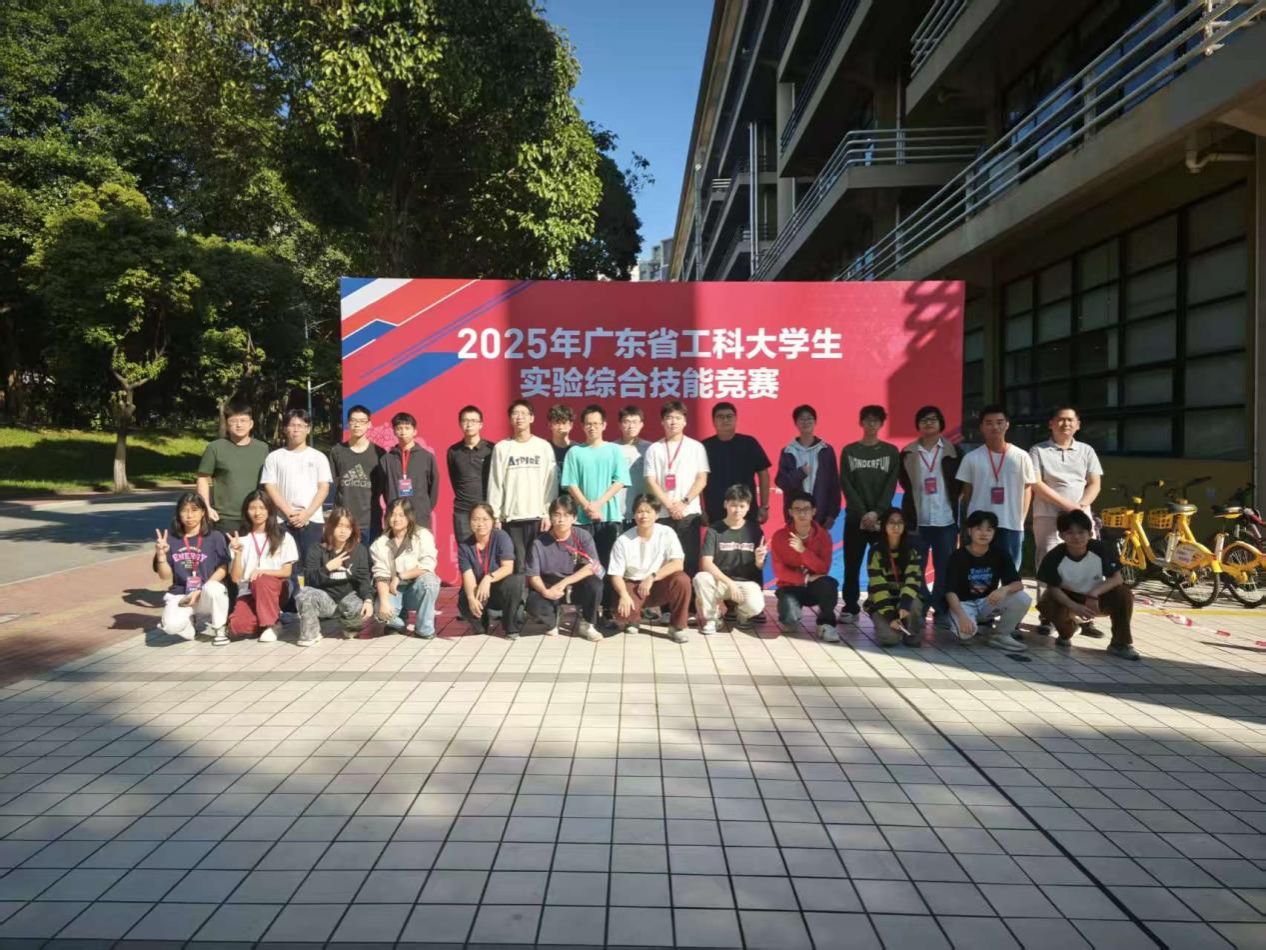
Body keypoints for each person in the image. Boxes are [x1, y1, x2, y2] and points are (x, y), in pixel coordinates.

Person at [1030, 406, 1104, 637]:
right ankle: (1048, 616)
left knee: (1088, 566)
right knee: (1048, 564)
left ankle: (1086, 618)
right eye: (1060, 419)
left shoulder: (1087, 450)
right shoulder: (1038, 450)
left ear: (1078, 424)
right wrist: (1067, 506)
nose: (1066, 424)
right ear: (1051, 423)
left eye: (1071, 420)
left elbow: (1094, 483)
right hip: (1048, 516)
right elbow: (1036, 483)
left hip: (1081, 518)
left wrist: (1081, 506)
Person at [1036, 509, 1139, 660]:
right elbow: (1053, 588)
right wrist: (1074, 606)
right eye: (1070, 533)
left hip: (1096, 597)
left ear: (1090, 533)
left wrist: (1094, 593)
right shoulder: (1053, 556)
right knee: (1046, 603)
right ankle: (1068, 630)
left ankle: (1120, 643)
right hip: (1068, 598)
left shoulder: (1102, 549)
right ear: (1061, 536)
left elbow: (1117, 578)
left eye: (1081, 532)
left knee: (1123, 593)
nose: (1076, 537)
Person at [898, 405, 961, 623]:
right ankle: (922, 605)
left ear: (941, 423)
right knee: (916, 568)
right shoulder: (908, 453)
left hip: (945, 520)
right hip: (918, 520)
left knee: (945, 568)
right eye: (924, 420)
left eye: (933, 419)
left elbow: (959, 484)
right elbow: (905, 483)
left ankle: (941, 608)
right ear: (918, 425)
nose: (929, 423)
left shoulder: (954, 451)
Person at [839, 405, 901, 622]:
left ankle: (880, 603)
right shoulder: (849, 451)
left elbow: (891, 485)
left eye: (876, 420)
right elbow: (846, 483)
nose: (871, 424)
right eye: (867, 420)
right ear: (861, 422)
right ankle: (850, 606)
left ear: (882, 424)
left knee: (883, 565)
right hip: (855, 518)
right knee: (852, 564)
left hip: (882, 519)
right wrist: (864, 513)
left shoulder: (891, 452)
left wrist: (877, 512)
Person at [956, 405, 1037, 571]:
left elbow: (1027, 489)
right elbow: (967, 492)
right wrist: (970, 520)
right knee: (978, 571)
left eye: (999, 422)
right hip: (979, 525)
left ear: (1007, 425)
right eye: (989, 423)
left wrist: (1021, 519)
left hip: (1011, 523)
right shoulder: (971, 458)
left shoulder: (1021, 456)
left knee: (1010, 572)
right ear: (981, 427)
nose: (994, 427)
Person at [260, 409, 331, 596]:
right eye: (292, 425)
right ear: (285, 428)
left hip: (312, 520)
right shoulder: (274, 457)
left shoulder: (318, 457)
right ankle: (289, 603)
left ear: (308, 429)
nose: (296, 429)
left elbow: (324, 488)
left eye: (301, 425)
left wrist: (306, 514)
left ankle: (314, 601)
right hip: (283, 520)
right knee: (286, 564)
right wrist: (289, 512)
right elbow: (270, 486)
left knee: (312, 564)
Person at [944, 510, 1032, 652]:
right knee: (966, 634)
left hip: (987, 602)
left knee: (1023, 598)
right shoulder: (958, 556)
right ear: (969, 531)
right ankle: (965, 623)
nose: (984, 533)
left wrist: (1004, 589)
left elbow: (1018, 584)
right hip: (964, 604)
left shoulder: (1000, 554)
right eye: (979, 528)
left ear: (994, 532)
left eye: (989, 529)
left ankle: (1001, 635)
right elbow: (950, 592)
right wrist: (962, 616)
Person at [609, 494, 693, 642]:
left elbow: (678, 563)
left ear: (657, 515)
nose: (644, 516)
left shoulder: (666, 532)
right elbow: (615, 574)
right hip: (634, 584)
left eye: (648, 511)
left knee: (682, 580)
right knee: (622, 614)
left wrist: (652, 577)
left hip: (658, 582)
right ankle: (633, 620)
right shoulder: (623, 540)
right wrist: (623, 594)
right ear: (634, 515)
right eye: (640, 512)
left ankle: (677, 627)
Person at [562, 404, 631, 584]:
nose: (592, 427)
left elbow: (620, 481)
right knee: (584, 565)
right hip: (582, 520)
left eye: (596, 423)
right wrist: (587, 506)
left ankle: (607, 601)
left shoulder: (614, 450)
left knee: (608, 564)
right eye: (588, 424)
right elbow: (570, 483)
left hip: (609, 518)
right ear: (582, 426)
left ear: (604, 425)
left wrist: (598, 504)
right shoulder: (575, 452)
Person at [488, 399, 558, 570]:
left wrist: (548, 513)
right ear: (510, 419)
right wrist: (495, 516)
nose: (519, 417)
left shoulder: (543, 446)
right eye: (515, 414)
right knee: (517, 567)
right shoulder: (502, 448)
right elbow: (495, 483)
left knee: (537, 566)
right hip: (511, 518)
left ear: (532, 418)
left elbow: (550, 484)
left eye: (523, 413)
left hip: (538, 517)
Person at [153, 492, 230, 645]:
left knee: (215, 588)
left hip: (205, 594)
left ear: (203, 512)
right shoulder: (171, 540)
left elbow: (223, 568)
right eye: (184, 510)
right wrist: (161, 556)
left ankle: (220, 629)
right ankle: (190, 625)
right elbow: (165, 576)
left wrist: (202, 589)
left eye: (194, 510)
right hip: (182, 594)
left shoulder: (215, 537)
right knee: (170, 626)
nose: (189, 515)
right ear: (178, 514)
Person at [644, 399, 710, 576]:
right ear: (662, 421)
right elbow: (651, 481)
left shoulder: (696, 447)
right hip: (663, 514)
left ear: (685, 421)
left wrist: (683, 503)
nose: (673, 422)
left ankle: (689, 595)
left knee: (689, 560)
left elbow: (702, 479)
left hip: (689, 513)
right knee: (663, 561)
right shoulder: (654, 449)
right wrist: (669, 505)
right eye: (669, 417)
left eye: (678, 418)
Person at [525, 495, 604, 640]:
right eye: (557, 515)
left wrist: (565, 582)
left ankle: (587, 623)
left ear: (574, 518)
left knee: (595, 585)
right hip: (550, 584)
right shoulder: (539, 543)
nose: (561, 520)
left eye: (566, 515)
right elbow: (533, 575)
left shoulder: (583, 536)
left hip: (576, 581)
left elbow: (592, 566)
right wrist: (545, 591)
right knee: (533, 602)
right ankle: (552, 621)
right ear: (550, 517)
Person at [295, 506, 375, 647]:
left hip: (348, 599)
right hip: (326, 599)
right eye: (339, 526)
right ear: (330, 526)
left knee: (358, 605)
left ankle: (349, 626)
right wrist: (327, 568)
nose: (343, 531)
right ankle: (311, 634)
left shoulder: (359, 550)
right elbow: (309, 579)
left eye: (348, 527)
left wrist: (368, 600)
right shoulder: (317, 548)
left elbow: (364, 579)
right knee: (305, 594)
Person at [695, 485, 768, 635]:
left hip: (745, 583)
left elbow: (759, 567)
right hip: (721, 582)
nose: (737, 510)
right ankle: (712, 618)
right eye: (733, 505)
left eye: (742, 506)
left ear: (748, 507)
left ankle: (742, 614)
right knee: (701, 578)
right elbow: (706, 563)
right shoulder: (714, 530)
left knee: (756, 606)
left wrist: (759, 560)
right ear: (725, 504)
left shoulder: (755, 530)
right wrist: (730, 583)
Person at [227, 490, 298, 642]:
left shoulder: (283, 536)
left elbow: (286, 572)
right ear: (246, 511)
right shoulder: (240, 540)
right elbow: (235, 579)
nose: (257, 513)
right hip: (248, 591)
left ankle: (271, 625)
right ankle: (269, 617)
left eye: (262, 508)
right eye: (252, 508)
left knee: (261, 580)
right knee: (238, 627)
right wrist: (238, 554)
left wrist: (263, 571)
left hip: (276, 588)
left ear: (269, 510)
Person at [771, 491, 839, 641]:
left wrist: (803, 551)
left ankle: (826, 624)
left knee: (829, 584)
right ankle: (791, 618)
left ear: (814, 511)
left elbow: (824, 569)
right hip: (790, 587)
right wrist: (805, 579)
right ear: (790, 512)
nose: (802, 514)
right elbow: (779, 571)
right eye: (797, 509)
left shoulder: (823, 536)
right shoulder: (780, 536)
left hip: (815, 586)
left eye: (806, 509)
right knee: (789, 623)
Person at [370, 498, 441, 638]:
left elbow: (427, 564)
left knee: (431, 582)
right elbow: (381, 574)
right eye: (393, 514)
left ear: (410, 516)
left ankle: (424, 629)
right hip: (393, 590)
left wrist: (400, 576)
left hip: (415, 588)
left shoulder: (423, 535)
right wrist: (384, 602)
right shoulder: (380, 543)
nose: (396, 519)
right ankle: (399, 623)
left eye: (401, 515)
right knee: (380, 612)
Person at [196, 401, 269, 534]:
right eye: (234, 421)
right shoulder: (215, 448)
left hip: (256, 515)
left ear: (251, 424)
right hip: (224, 518)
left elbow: (270, 483)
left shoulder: (263, 449)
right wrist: (206, 507)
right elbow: (202, 478)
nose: (239, 425)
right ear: (227, 424)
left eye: (243, 420)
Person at [458, 503, 526, 640]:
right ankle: (481, 622)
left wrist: (488, 578)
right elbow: (468, 575)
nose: (480, 523)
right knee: (465, 599)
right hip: (479, 591)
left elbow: (508, 567)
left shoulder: (501, 537)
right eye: (475, 519)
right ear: (470, 522)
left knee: (516, 581)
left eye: (485, 519)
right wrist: (471, 599)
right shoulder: (465, 546)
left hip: (499, 589)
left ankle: (510, 627)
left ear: (493, 521)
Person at [702, 402, 771, 525]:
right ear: (713, 421)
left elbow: (763, 473)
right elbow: (698, 479)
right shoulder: (704, 446)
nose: (725, 420)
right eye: (720, 417)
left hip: (745, 509)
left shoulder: (749, 443)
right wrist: (701, 509)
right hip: (715, 510)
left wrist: (764, 506)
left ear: (735, 419)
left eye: (729, 416)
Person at [866, 508, 925, 648]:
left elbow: (913, 581)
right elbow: (878, 587)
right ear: (884, 525)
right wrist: (890, 616)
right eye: (891, 522)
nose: (896, 526)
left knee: (914, 604)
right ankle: (888, 624)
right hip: (882, 602)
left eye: (900, 523)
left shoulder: (913, 550)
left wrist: (905, 604)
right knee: (890, 639)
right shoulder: (875, 551)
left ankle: (910, 632)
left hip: (903, 600)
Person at [775, 404, 841, 527]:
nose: (806, 422)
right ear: (796, 423)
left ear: (815, 421)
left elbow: (834, 485)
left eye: (809, 418)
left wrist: (832, 514)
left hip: (821, 516)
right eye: (802, 419)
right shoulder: (788, 451)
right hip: (795, 516)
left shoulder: (826, 450)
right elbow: (782, 482)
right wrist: (800, 473)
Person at [328, 404, 385, 540]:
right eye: (353, 421)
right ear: (348, 423)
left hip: (370, 521)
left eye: (362, 421)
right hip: (343, 521)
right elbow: (334, 483)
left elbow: (383, 487)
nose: (357, 425)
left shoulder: (379, 453)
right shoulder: (337, 451)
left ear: (369, 424)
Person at [378, 411, 439, 530]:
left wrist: (425, 508)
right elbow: (384, 489)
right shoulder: (387, 459)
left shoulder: (427, 457)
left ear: (415, 431)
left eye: (407, 428)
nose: (403, 432)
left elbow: (434, 487)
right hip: (395, 516)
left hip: (420, 516)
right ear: (394, 431)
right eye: (399, 428)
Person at [446, 404, 493, 550]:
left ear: (481, 424)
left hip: (486, 508)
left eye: (473, 421)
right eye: (465, 420)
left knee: (489, 551)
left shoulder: (491, 449)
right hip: (462, 510)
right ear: (460, 423)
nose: (469, 424)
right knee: (465, 551)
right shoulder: (453, 451)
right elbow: (454, 479)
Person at [617, 406, 652, 532]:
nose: (631, 426)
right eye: (626, 422)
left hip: (643, 512)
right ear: (620, 425)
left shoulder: (650, 448)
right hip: (618, 513)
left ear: (642, 424)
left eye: (635, 422)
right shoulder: (611, 448)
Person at [547, 403, 575, 475]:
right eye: (557, 423)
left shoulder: (577, 449)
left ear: (571, 425)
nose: (560, 427)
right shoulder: (544, 448)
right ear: (550, 425)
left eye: (564, 422)